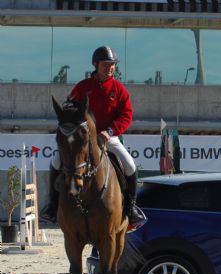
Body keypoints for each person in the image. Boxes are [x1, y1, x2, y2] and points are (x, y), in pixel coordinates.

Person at [42, 45, 145, 227]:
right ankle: (52, 206)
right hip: (82, 138)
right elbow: (69, 107)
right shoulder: (82, 87)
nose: (110, 67)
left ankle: (131, 208)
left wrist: (110, 132)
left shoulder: (119, 90)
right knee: (56, 161)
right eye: (106, 64)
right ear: (95, 65)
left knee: (130, 165)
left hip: (107, 137)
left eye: (112, 64)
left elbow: (126, 116)